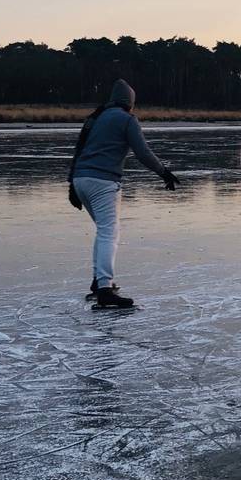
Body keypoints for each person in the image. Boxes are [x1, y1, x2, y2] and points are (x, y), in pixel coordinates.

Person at [67, 79, 180, 308]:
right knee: (110, 232)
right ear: (130, 103)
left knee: (103, 230)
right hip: (102, 181)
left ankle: (99, 281)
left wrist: (72, 184)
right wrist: (164, 172)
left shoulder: (96, 117)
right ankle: (105, 288)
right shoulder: (127, 119)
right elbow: (142, 152)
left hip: (81, 179)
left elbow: (79, 149)